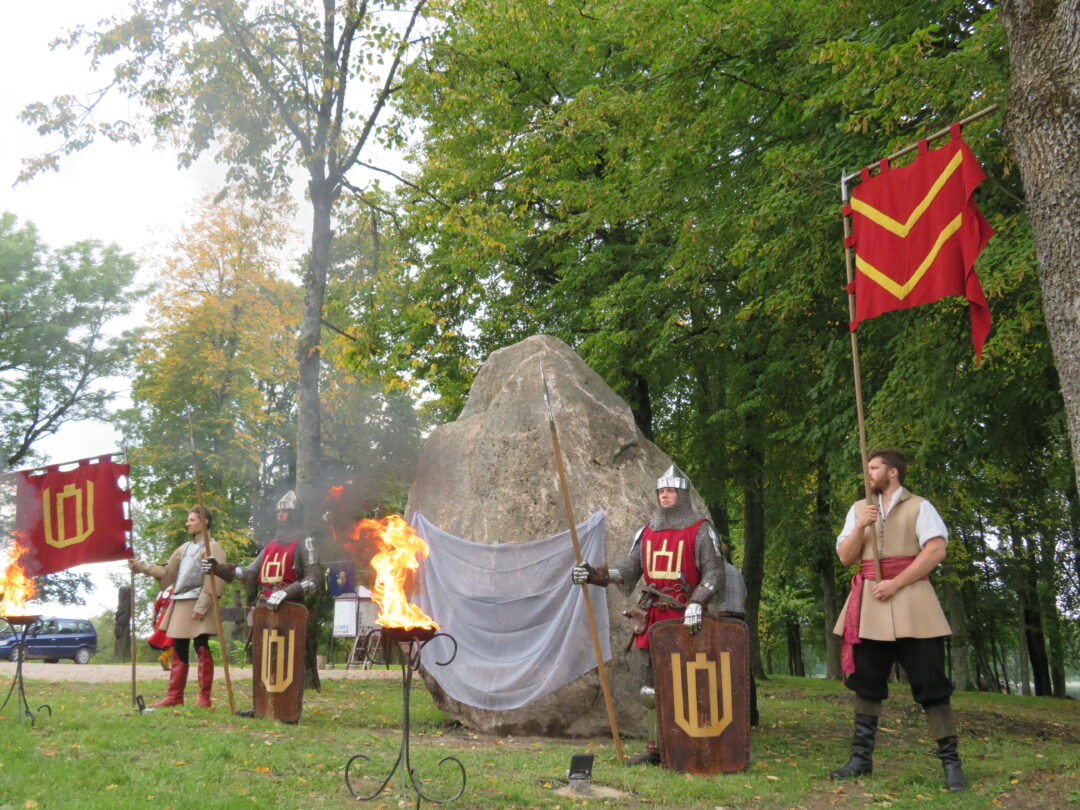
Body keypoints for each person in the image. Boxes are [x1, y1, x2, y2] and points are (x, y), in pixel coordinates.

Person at [830, 449, 968, 791]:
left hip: (913, 603)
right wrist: (860, 526)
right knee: (866, 681)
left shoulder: (921, 506)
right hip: (868, 606)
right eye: (867, 467)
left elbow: (935, 551)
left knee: (931, 682)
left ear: (893, 472)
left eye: (874, 467)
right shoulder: (858, 509)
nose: (868, 473)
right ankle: (861, 760)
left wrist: (896, 583)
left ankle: (952, 765)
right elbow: (846, 557)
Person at [572, 464, 724, 765]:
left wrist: (697, 602)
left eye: (670, 491)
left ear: (682, 495)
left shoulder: (700, 529)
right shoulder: (648, 531)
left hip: (686, 619)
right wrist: (593, 575)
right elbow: (628, 570)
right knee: (649, 689)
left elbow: (714, 572)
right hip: (652, 619)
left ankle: (691, 746)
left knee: (689, 685)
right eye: (661, 491)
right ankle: (655, 750)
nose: (664, 495)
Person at [202, 490, 320, 718]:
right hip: (265, 610)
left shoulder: (306, 542)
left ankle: (286, 709)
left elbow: (313, 580)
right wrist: (218, 568)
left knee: (287, 661)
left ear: (295, 514)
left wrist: (286, 592)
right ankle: (262, 707)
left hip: (290, 612)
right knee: (264, 660)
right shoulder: (271, 546)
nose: (280, 515)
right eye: (279, 511)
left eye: (285, 511)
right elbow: (249, 573)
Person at [128, 506, 226, 708]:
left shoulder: (213, 547)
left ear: (205, 521)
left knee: (201, 646)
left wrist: (202, 606)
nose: (187, 523)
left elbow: (214, 578)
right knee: (179, 647)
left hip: (199, 601)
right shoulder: (184, 548)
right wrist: (140, 567)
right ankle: (174, 696)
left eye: (192, 520)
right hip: (180, 601)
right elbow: (167, 573)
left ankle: (204, 697)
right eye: (188, 520)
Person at [714, 543, 759, 727]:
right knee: (744, 668)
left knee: (719, 667)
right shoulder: (736, 572)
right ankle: (751, 715)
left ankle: (724, 714)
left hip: (721, 621)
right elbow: (744, 598)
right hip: (739, 621)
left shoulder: (713, 573)